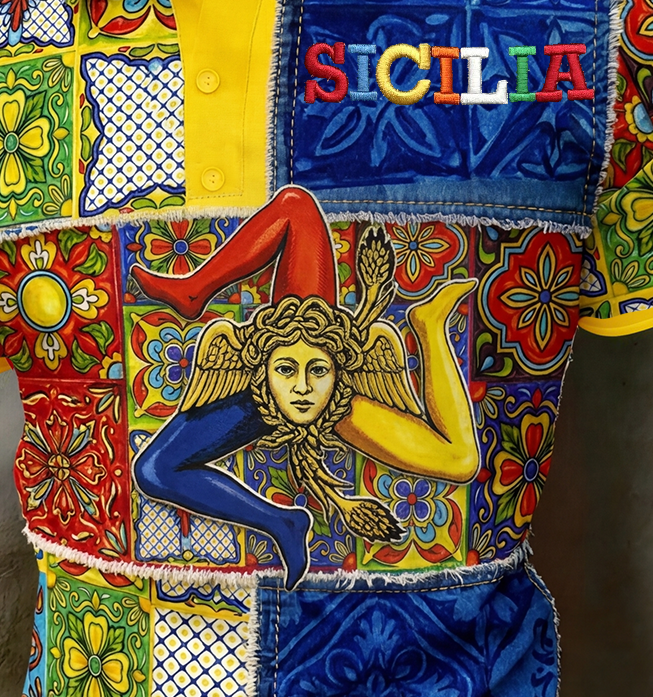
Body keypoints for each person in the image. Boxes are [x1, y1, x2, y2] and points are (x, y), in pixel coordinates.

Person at [131, 186, 480, 588]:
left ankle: (428, 322)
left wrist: (430, 330)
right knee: (151, 470)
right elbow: (155, 472)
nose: (302, 388)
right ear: (259, 367)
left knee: (461, 461)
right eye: (286, 370)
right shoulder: (259, 383)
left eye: (317, 370)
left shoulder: (346, 402)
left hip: (334, 404)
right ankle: (281, 522)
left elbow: (462, 462)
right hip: (259, 401)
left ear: (340, 368)